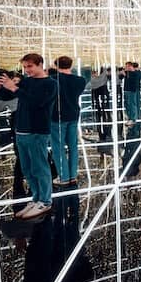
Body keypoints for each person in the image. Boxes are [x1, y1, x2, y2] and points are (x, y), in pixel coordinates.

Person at [0, 54, 58, 220]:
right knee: (27, 169)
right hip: (21, 130)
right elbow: (5, 96)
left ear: (40, 64)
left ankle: (45, 201)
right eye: (24, 67)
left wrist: (15, 88)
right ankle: (36, 198)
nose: (26, 70)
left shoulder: (51, 84)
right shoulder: (26, 81)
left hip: (37, 131)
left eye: (30, 66)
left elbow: (37, 102)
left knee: (40, 167)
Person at [49, 56, 88, 189]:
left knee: (58, 147)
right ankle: (72, 175)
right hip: (73, 114)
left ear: (56, 65)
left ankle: (64, 177)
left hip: (57, 116)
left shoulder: (53, 80)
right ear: (71, 65)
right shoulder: (80, 80)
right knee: (73, 146)